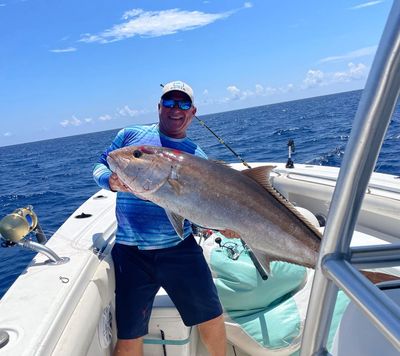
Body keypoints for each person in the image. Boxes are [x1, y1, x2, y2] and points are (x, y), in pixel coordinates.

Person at [93, 81, 227, 356]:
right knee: (129, 335)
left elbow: (201, 207)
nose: (175, 109)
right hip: (131, 254)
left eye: (183, 104)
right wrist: (111, 181)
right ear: (159, 107)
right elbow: (100, 164)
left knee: (211, 318)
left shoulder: (196, 156)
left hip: (179, 249)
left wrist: (225, 225)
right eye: (169, 102)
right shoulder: (131, 137)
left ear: (193, 111)